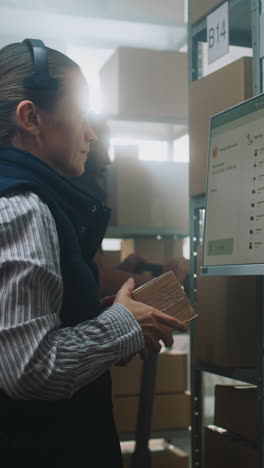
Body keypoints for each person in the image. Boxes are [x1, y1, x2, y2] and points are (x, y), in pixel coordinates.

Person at [0, 39, 188, 466]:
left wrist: (91, 317)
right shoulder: (23, 207)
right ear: (30, 117)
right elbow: (31, 370)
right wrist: (120, 325)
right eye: (81, 114)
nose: (88, 133)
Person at [70, 117, 190, 297]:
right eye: (102, 147)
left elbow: (87, 274)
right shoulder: (74, 200)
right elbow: (95, 280)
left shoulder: (80, 201)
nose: (108, 160)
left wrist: (123, 271)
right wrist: (163, 284)